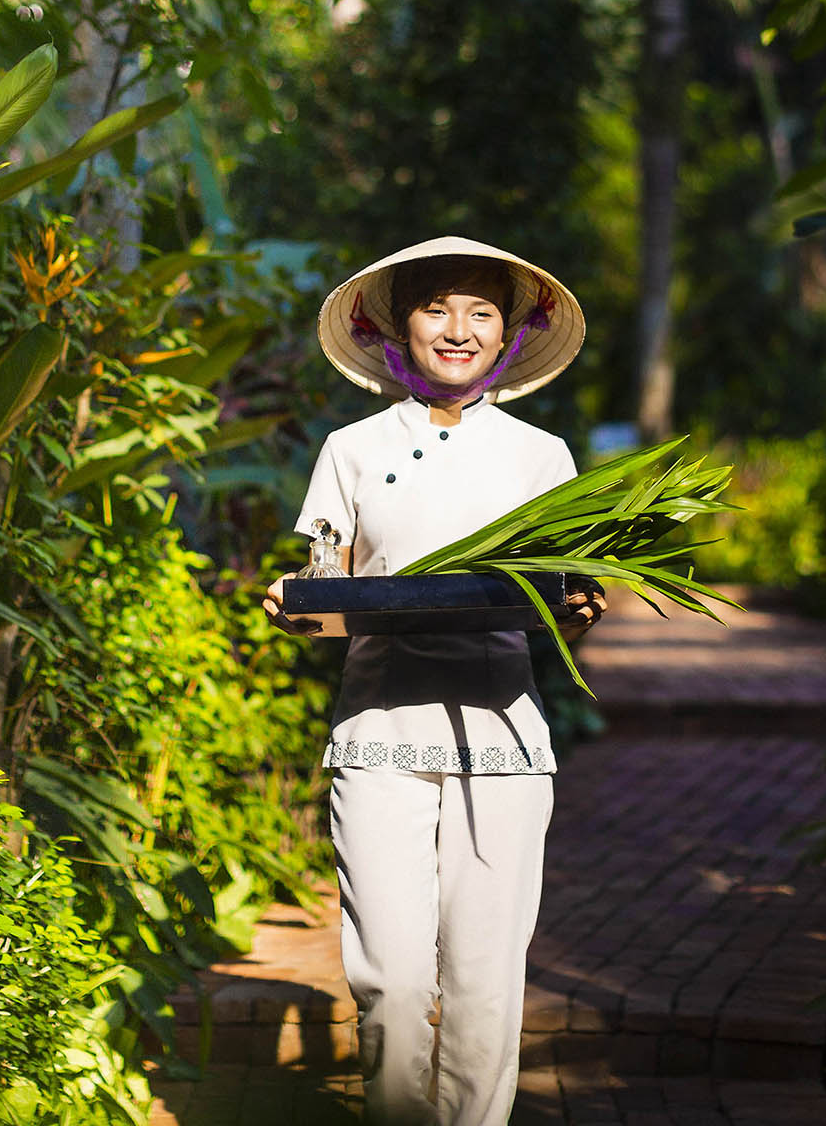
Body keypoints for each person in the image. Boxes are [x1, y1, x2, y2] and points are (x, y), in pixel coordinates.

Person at [263, 235, 600, 1126]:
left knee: (488, 987)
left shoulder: (543, 456)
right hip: (379, 729)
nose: (458, 330)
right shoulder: (350, 447)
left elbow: (562, 590)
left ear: (509, 335)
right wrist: (295, 600)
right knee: (394, 981)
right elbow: (330, 579)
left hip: (503, 734)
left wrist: (578, 608)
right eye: (437, 308)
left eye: (481, 312)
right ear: (395, 325)